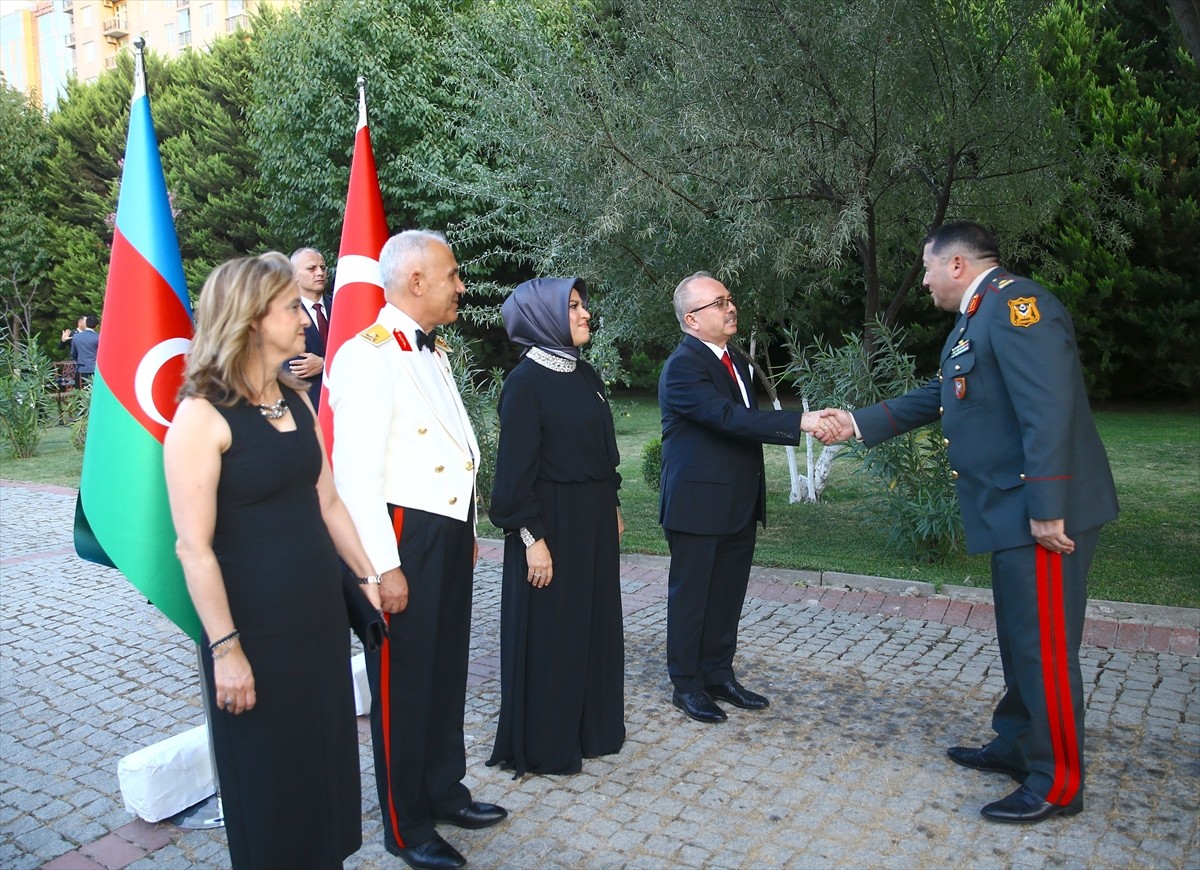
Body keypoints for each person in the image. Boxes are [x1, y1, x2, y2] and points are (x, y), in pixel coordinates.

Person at [814, 221, 1118, 824]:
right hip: (1010, 510)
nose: (922, 281)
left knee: (1047, 649)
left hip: (1039, 512)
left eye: (926, 268)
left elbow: (1048, 405)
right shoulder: (979, 315)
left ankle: (1057, 782)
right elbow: (943, 394)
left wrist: (1048, 505)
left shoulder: (1017, 306)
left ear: (956, 265)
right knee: (1019, 639)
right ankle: (1016, 743)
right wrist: (857, 421)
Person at [163, 252, 381, 869]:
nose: (305, 317)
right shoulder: (201, 418)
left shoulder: (296, 400)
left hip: (316, 625)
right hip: (254, 635)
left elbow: (330, 502)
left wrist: (368, 575)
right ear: (253, 318)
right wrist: (226, 650)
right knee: (271, 779)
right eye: (292, 307)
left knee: (323, 766)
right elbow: (192, 547)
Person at [329, 230, 507, 870]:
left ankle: (442, 789)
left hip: (445, 530)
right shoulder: (367, 355)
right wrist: (382, 566)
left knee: (444, 671)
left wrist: (466, 525)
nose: (462, 285)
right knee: (402, 684)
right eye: (453, 275)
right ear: (416, 281)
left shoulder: (432, 352)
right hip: (402, 534)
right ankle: (405, 826)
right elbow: (353, 477)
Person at [659, 272, 824, 724]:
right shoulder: (683, 367)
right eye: (718, 303)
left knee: (728, 594)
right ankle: (687, 685)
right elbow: (728, 417)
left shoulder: (736, 359)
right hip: (698, 506)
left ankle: (718, 673)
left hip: (737, 502)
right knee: (693, 597)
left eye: (730, 298)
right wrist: (800, 424)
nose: (730, 307)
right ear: (692, 319)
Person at [487, 277, 626, 776]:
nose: (586, 313)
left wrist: (609, 503)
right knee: (554, 631)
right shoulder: (525, 383)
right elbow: (513, 476)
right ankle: (548, 742)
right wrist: (532, 539)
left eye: (583, 304)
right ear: (542, 317)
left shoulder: (586, 374)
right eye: (572, 307)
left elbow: (602, 452)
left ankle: (592, 728)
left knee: (592, 622)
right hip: (549, 525)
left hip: (591, 519)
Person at [289, 247, 332, 408]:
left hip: (347, 405)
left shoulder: (342, 308)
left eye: (322, 267)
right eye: (311, 268)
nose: (320, 272)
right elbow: (295, 367)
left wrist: (324, 364)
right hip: (309, 407)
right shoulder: (285, 314)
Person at [60, 315, 99, 387]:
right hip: (95, 368)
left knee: (82, 389)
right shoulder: (98, 337)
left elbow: (73, 353)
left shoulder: (76, 336)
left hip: (81, 367)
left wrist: (79, 360)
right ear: (96, 326)